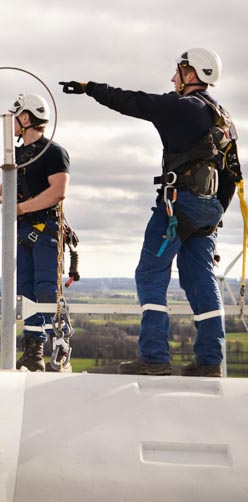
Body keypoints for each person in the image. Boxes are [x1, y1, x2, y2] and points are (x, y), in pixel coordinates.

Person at [60, 48, 232, 376]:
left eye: (177, 72)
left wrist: (90, 88)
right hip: (207, 211)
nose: (172, 78)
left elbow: (133, 101)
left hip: (178, 205)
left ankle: (154, 357)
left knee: (150, 273)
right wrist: (214, 213)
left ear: (191, 74)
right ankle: (211, 361)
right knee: (200, 281)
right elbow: (232, 172)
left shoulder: (182, 107)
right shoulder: (222, 116)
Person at [0, 93, 70, 371]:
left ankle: (59, 346)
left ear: (26, 118)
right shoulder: (18, 155)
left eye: (16, 117)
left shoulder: (53, 152)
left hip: (47, 228)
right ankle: (33, 352)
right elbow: (9, 184)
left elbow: (57, 191)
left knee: (46, 290)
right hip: (26, 230)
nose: (13, 124)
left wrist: (19, 209)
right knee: (26, 292)